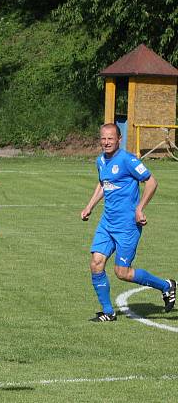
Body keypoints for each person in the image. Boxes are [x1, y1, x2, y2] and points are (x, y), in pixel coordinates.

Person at [80, 123, 175, 322]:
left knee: (121, 272)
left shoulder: (128, 160)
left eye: (110, 138)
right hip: (107, 223)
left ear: (119, 139)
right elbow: (102, 183)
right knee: (96, 264)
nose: (106, 142)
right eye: (103, 138)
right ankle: (108, 312)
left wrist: (139, 208)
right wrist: (90, 206)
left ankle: (166, 286)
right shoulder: (100, 161)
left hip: (127, 226)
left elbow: (151, 182)